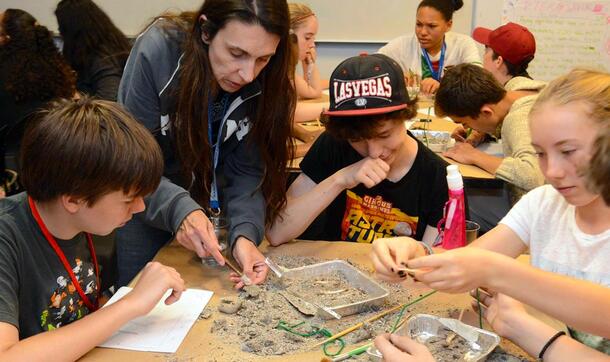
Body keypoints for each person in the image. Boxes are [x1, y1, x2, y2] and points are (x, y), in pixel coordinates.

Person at [372, 69, 610, 355]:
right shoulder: (545, 204)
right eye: (541, 154)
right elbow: (467, 263)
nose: (553, 172)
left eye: (568, 151)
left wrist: (525, 324)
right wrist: (416, 257)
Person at [117, 0, 295, 289]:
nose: (248, 74)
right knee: (141, 311)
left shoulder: (267, 79)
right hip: (143, 202)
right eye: (237, 54)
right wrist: (180, 210)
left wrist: (245, 235)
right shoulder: (158, 53)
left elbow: (248, 170)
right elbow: (129, 164)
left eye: (263, 59)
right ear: (206, 32)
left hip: (213, 217)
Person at [0, 98, 185, 361]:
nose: (140, 207)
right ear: (74, 199)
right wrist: (130, 304)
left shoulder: (92, 222)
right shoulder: (7, 238)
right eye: (128, 198)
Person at [266, 53, 449, 246]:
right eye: (357, 139)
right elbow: (277, 232)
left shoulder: (438, 177)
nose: (374, 152)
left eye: (384, 135)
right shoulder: (335, 144)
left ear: (406, 117)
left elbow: (434, 265)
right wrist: (341, 179)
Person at [435, 63, 545, 231]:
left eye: (465, 122)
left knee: (455, 204)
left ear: (486, 112)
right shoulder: (516, 87)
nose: (467, 127)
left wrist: (474, 156)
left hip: (542, 215)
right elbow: (498, 118)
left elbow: (532, 175)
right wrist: (481, 131)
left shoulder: (519, 119)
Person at [0, 9, 76, 197]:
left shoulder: (4, 76)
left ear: (6, 38)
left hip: (13, 172)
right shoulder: (58, 70)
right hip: (57, 159)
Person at [378, 0, 480, 95]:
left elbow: (477, 82)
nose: (422, 32)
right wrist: (394, 76)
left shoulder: (463, 44)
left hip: (451, 112)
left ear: (448, 25)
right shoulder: (401, 45)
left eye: (431, 26)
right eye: (419, 24)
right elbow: (370, 67)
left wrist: (443, 87)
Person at [55, 0, 131, 101]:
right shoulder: (109, 46)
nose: (59, 29)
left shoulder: (101, 59)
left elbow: (110, 100)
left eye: (62, 28)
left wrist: (78, 99)